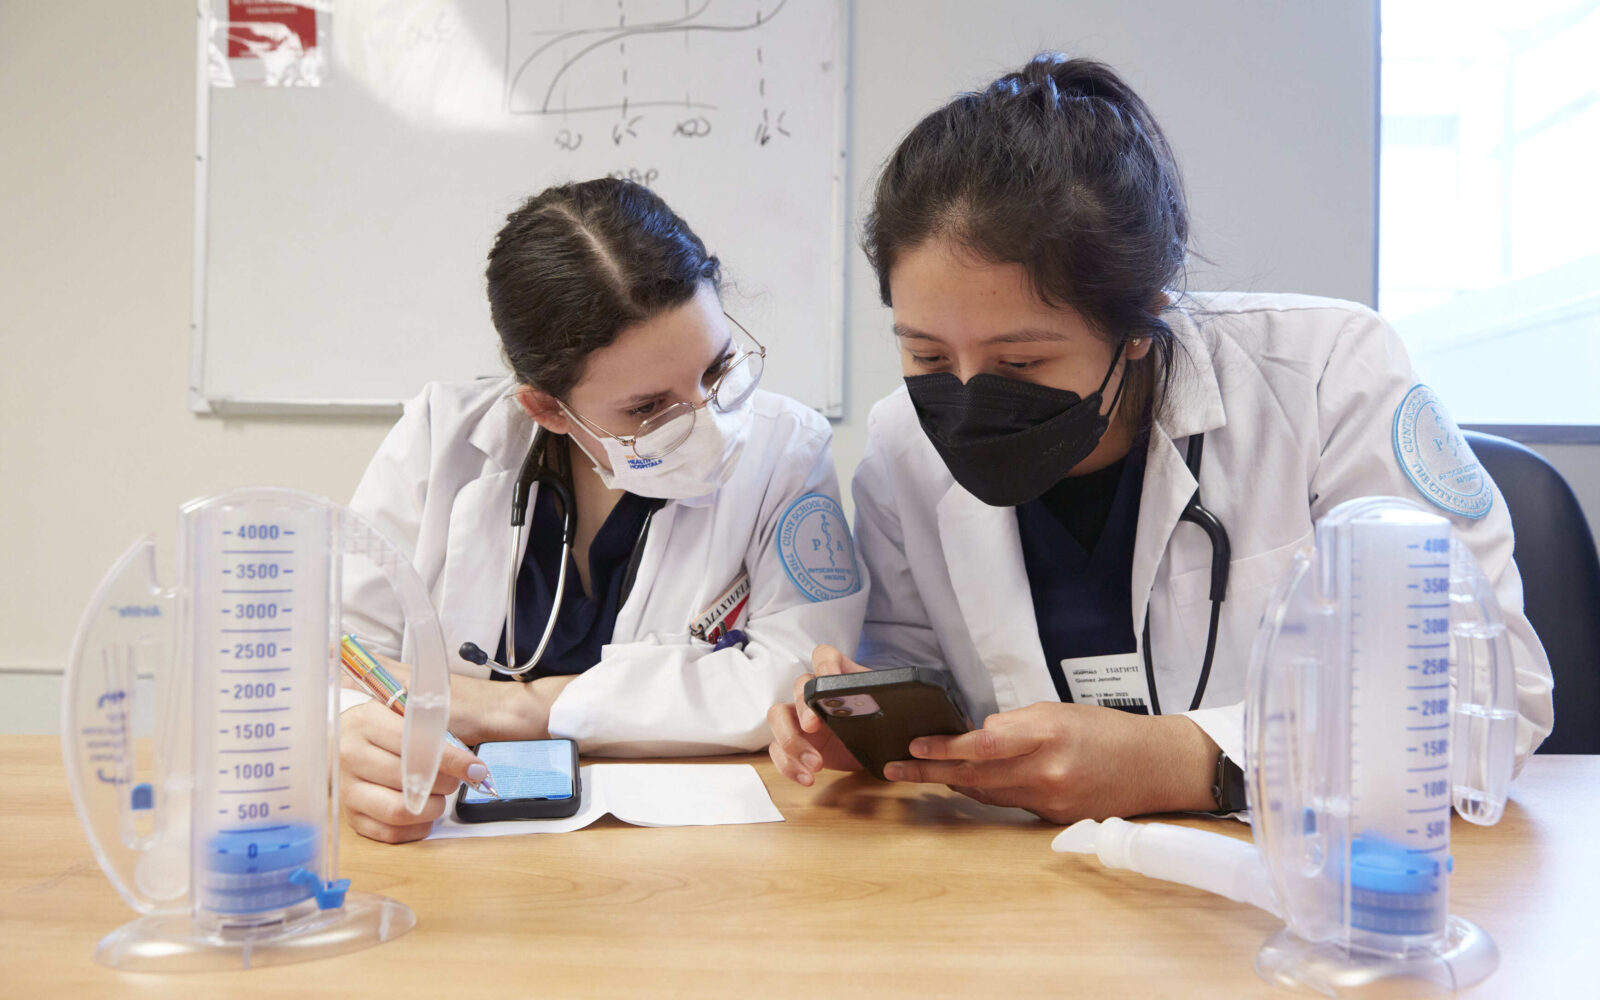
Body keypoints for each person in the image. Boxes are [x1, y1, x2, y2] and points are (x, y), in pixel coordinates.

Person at [767, 54, 1554, 823]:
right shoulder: (903, 445)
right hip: (1029, 902)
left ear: (1141, 319)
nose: (969, 398)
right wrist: (861, 720)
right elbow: (916, 669)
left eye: (1022, 360)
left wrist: (1186, 762)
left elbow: (1490, 700)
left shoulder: (1325, 378)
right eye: (927, 354)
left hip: (1277, 895)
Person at [340, 178, 866, 842]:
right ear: (547, 410)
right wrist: (348, 734)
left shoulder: (787, 452)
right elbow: (343, 659)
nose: (710, 422)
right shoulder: (440, 442)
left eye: (718, 369)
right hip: (456, 853)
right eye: (648, 408)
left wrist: (518, 708)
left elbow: (793, 683)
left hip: (689, 861)